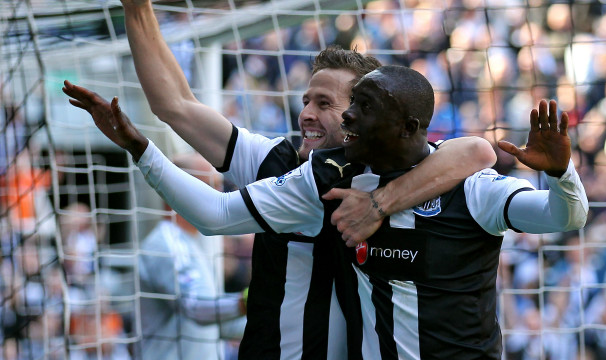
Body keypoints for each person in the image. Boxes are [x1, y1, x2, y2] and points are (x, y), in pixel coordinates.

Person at [64, 65, 587, 358]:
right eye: (350, 103)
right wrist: (140, 149)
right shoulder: (328, 177)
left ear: (408, 126)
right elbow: (217, 216)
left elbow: (564, 218)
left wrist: (563, 174)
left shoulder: (473, 190)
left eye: (364, 107)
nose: (349, 117)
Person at [112, 2, 497, 357]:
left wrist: (382, 202)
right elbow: (174, 104)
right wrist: (137, 8)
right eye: (306, 101)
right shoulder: (274, 161)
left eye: (325, 104)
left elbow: (476, 151)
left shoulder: (386, 172)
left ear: (364, 114)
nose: (307, 115)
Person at [136, 152, 246, 359]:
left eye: (220, 186)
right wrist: (250, 300)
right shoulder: (165, 244)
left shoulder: (196, 242)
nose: (221, 195)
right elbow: (196, 309)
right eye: (211, 186)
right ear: (178, 190)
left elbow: (217, 326)